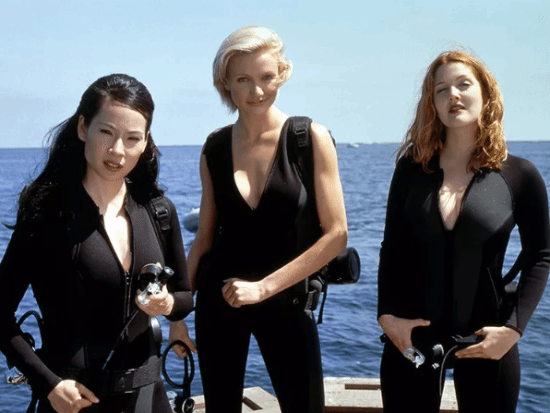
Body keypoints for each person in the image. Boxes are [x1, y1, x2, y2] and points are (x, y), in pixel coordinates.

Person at [169, 26, 347, 413]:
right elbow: (203, 239)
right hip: (219, 301)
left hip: (287, 301)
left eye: (266, 77)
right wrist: (178, 317)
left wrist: (263, 288)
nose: (257, 91)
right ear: (226, 83)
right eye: (243, 80)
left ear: (282, 74)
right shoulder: (214, 147)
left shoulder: (309, 139)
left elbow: (336, 236)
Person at [0, 74, 194, 413]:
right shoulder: (46, 214)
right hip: (72, 401)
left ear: (146, 142)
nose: (117, 150)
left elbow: (185, 298)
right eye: (106, 132)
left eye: (132, 138)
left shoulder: (160, 211)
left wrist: (166, 305)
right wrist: (49, 384)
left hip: (148, 398)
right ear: (82, 128)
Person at [377, 50, 550, 412]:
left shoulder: (519, 175)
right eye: (441, 90)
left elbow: (540, 255)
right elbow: (392, 248)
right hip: (412, 337)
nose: (453, 95)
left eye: (463, 84)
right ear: (433, 105)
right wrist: (387, 316)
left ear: (485, 93)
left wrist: (513, 329)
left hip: (488, 340)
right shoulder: (411, 169)